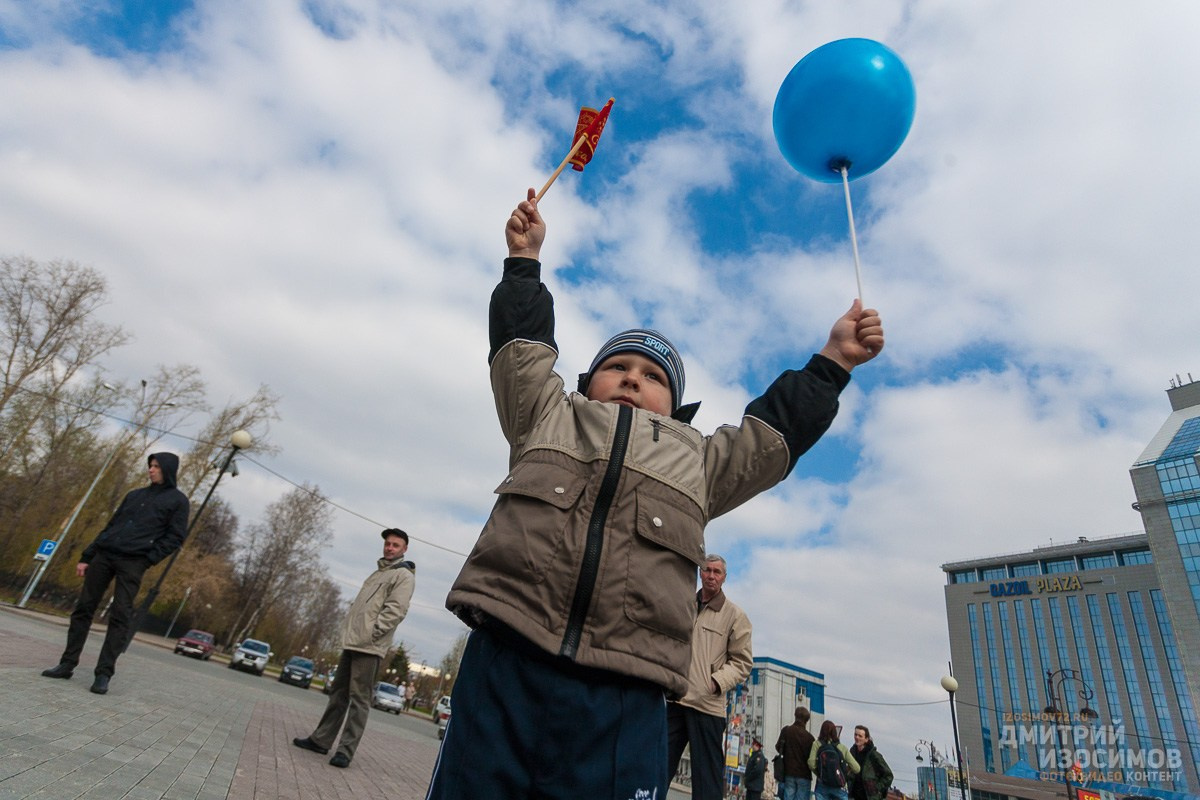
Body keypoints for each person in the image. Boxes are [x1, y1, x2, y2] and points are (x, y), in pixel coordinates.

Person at [427, 189, 884, 800]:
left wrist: (834, 361)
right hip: (507, 661)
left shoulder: (699, 460)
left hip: (626, 692)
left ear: (676, 407)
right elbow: (521, 350)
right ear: (589, 382)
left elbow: (770, 437)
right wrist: (525, 261)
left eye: (653, 377)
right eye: (618, 368)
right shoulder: (546, 415)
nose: (633, 381)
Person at [41, 453, 190, 695]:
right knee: (83, 609)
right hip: (104, 556)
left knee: (121, 615)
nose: (151, 470)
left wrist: (148, 560)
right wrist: (87, 556)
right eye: (150, 466)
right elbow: (111, 526)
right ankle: (67, 664)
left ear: (168, 470)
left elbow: (175, 537)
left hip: (133, 562)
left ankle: (103, 674)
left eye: (156, 467)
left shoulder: (178, 501)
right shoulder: (134, 495)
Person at [293, 528, 415, 768]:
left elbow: (396, 610)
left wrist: (372, 633)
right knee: (338, 693)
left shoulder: (403, 576)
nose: (390, 548)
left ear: (404, 549)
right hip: (353, 642)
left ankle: (345, 752)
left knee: (359, 701)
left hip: (369, 647)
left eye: (395, 545)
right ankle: (321, 740)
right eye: (388, 544)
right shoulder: (378, 573)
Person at [667, 555, 753, 800]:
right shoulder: (684, 604)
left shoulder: (735, 616)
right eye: (707, 570)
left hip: (707, 705)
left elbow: (743, 662)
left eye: (717, 572)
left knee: (708, 781)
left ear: (724, 578)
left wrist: (716, 683)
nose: (711, 576)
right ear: (700, 573)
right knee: (656, 765)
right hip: (674, 699)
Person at [808, 720, 860, 800]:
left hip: (822, 784)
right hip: (839, 786)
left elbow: (811, 764)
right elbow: (856, 768)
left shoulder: (817, 744)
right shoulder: (841, 747)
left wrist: (820, 773)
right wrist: (844, 773)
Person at [776, 706, 816, 800]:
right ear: (807, 720)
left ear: (795, 716)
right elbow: (811, 758)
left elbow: (778, 748)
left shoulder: (786, 730)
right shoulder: (810, 738)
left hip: (788, 773)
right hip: (804, 775)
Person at [847, 725, 893, 800]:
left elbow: (889, 776)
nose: (857, 737)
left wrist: (877, 787)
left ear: (866, 739)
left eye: (860, 736)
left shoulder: (874, 755)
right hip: (853, 795)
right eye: (855, 735)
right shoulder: (852, 753)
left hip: (870, 797)